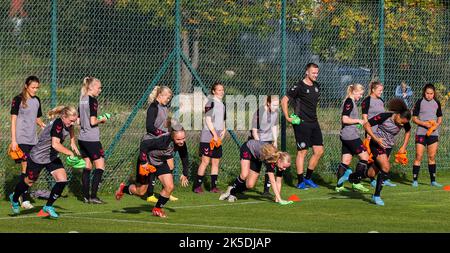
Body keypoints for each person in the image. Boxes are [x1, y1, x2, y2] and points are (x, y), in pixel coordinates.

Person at [9, 106, 80, 218]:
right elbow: (55, 144)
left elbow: (71, 129)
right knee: (29, 182)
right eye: (71, 120)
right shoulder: (58, 124)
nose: (72, 123)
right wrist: (70, 153)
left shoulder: (67, 124)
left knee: (62, 180)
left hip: (51, 157)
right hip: (38, 157)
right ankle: (14, 197)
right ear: (63, 116)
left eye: (74, 121)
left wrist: (72, 142)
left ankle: (48, 206)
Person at [339, 98, 411, 206]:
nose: (401, 125)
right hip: (376, 144)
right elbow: (366, 125)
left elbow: (408, 131)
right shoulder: (384, 116)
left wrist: (403, 147)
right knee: (386, 167)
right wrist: (375, 138)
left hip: (388, 147)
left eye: (403, 124)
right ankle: (376, 196)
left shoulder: (404, 122)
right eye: (401, 122)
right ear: (397, 115)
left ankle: (351, 176)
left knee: (370, 173)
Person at [115, 127, 190, 218]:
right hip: (147, 162)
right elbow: (144, 144)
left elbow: (184, 156)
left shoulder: (181, 144)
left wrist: (185, 173)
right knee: (141, 192)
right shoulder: (163, 141)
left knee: (169, 187)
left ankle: (157, 209)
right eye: (178, 139)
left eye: (183, 138)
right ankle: (123, 188)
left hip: (160, 163)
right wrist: (143, 162)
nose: (182, 141)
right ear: (172, 136)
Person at [281, 63, 323, 190]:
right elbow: (284, 100)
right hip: (302, 123)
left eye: (317, 72)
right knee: (302, 152)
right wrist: (288, 117)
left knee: (319, 151)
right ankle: (300, 182)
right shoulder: (299, 86)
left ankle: (308, 178)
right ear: (307, 72)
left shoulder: (317, 86)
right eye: (313, 72)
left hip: (314, 122)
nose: (315, 75)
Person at [136, 85, 178, 202]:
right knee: (152, 168)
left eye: (170, 98)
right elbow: (149, 127)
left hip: (162, 141)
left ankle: (167, 191)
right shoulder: (153, 107)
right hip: (152, 141)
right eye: (167, 97)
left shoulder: (164, 107)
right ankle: (150, 194)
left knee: (170, 165)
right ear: (160, 95)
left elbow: (163, 124)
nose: (168, 100)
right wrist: (161, 134)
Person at [10, 76, 46, 210]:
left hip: (33, 139)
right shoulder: (18, 99)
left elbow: (36, 118)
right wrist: (14, 140)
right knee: (25, 167)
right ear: (26, 86)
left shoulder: (37, 100)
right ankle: (24, 200)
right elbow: (13, 120)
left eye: (37, 87)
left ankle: (17, 193)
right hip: (21, 139)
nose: (35, 90)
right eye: (33, 87)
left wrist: (43, 125)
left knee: (31, 170)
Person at [219, 140, 292, 204]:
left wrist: (277, 198)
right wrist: (280, 200)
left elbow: (278, 182)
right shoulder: (270, 158)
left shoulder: (280, 165)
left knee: (250, 185)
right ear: (279, 161)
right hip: (248, 148)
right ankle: (232, 193)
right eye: (284, 167)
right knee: (244, 174)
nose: (284, 169)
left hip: (257, 158)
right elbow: (273, 181)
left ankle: (231, 189)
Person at [78, 77, 108, 204]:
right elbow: (92, 121)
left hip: (82, 138)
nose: (100, 90)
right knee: (100, 166)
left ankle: (85, 196)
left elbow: (79, 121)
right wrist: (102, 119)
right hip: (92, 138)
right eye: (98, 87)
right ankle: (93, 196)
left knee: (87, 166)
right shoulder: (92, 100)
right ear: (91, 87)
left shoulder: (81, 100)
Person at [361, 81, 397, 187]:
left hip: (382, 133)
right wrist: (368, 132)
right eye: (379, 90)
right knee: (371, 157)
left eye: (382, 90)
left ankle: (384, 178)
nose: (381, 92)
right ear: (373, 89)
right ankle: (371, 178)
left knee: (385, 156)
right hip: (372, 133)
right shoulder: (367, 101)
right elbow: (364, 118)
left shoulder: (381, 100)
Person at [335, 84, 370, 193]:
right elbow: (344, 119)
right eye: (360, 94)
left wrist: (356, 123)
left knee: (346, 161)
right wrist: (358, 121)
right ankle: (356, 182)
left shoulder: (351, 102)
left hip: (347, 135)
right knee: (365, 157)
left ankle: (339, 186)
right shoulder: (349, 101)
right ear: (354, 91)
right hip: (350, 136)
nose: (360, 96)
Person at [193, 82, 226, 193]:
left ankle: (213, 187)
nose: (221, 92)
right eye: (219, 90)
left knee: (216, 162)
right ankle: (197, 186)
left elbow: (223, 120)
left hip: (217, 137)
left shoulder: (222, 104)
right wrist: (215, 135)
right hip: (208, 136)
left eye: (222, 90)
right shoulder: (210, 103)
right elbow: (208, 120)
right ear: (213, 91)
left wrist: (224, 129)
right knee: (205, 161)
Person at [411, 83, 443, 187]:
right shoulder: (420, 102)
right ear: (424, 93)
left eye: (431, 93)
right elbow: (414, 118)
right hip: (421, 133)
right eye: (427, 93)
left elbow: (440, 117)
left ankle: (433, 181)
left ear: (434, 94)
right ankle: (415, 180)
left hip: (433, 134)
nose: (429, 95)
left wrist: (436, 126)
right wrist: (424, 123)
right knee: (418, 156)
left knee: (432, 156)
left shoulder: (436, 102)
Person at [248, 95, 279, 196]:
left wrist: (275, 140)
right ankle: (243, 184)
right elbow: (254, 131)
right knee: (251, 179)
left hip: (269, 142)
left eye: (277, 105)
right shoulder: (260, 112)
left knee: (271, 165)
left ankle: (267, 190)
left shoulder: (275, 113)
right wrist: (260, 145)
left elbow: (274, 126)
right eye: (274, 105)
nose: (276, 107)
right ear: (268, 103)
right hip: (258, 143)